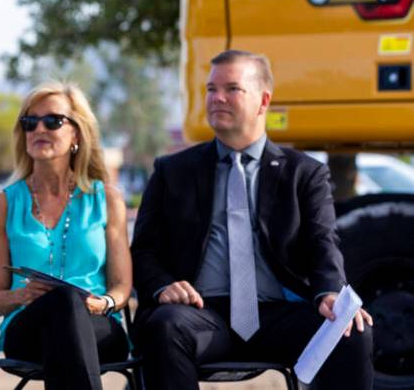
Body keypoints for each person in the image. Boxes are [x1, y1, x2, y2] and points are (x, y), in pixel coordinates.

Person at [131, 49, 374, 390]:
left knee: (351, 331)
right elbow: (142, 251)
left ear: (263, 101)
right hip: (201, 313)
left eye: (232, 89)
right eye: (211, 89)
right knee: (165, 326)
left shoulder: (304, 173)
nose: (217, 98)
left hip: (279, 313)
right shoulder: (172, 171)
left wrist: (329, 293)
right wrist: (163, 284)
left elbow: (323, 243)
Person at [0, 81, 132, 390]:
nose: (39, 129)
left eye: (52, 121)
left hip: (99, 326)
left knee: (68, 314)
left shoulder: (108, 200)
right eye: (30, 122)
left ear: (76, 133)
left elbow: (121, 288)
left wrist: (100, 303)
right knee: (63, 302)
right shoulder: (3, 205)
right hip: (28, 329)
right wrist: (22, 295)